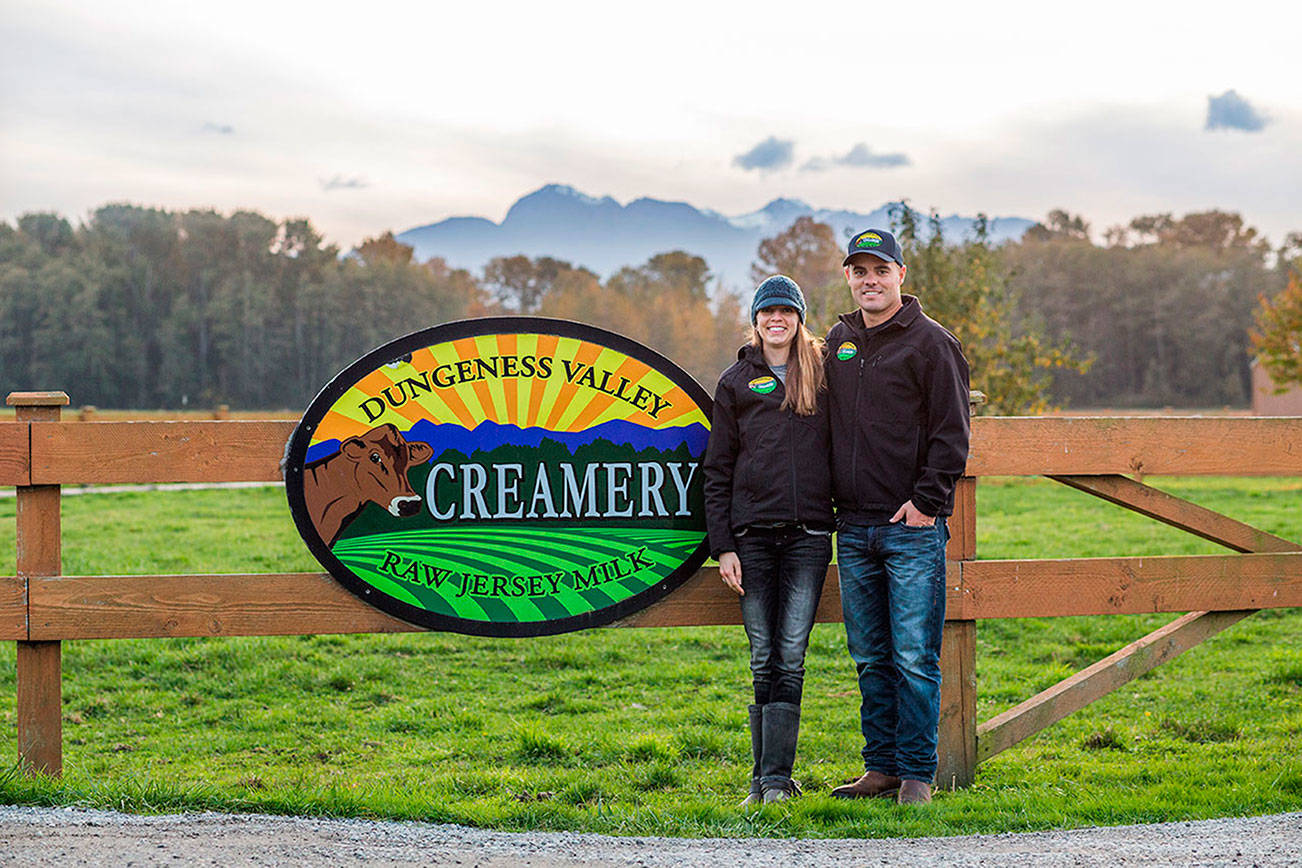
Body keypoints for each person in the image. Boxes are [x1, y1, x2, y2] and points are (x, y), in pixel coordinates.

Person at [824, 229, 970, 805]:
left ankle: (917, 773)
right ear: (848, 278)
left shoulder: (932, 344)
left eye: (880, 270)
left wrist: (927, 504)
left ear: (900, 276)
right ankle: (880, 766)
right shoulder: (839, 341)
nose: (870, 280)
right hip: (853, 527)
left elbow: (953, 433)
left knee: (913, 654)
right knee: (869, 656)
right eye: (859, 271)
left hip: (909, 526)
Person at [703, 275, 835, 805]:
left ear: (799, 318)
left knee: (791, 653)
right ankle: (762, 781)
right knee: (762, 655)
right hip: (752, 538)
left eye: (786, 311)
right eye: (767, 312)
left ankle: (777, 779)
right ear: (755, 320)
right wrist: (723, 545)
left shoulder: (824, 376)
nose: (776, 320)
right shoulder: (735, 382)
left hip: (807, 536)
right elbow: (718, 469)